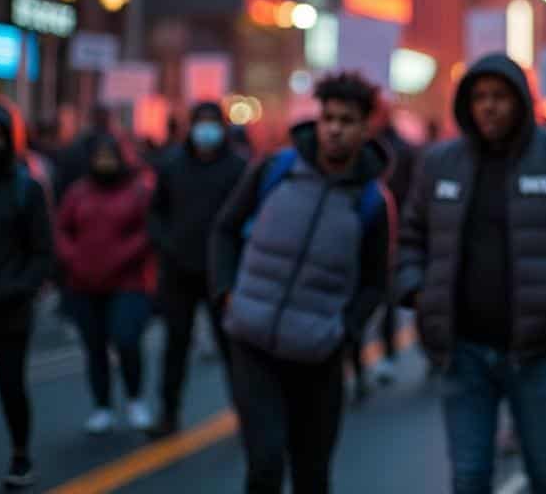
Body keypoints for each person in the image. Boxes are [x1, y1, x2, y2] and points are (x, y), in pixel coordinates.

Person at [396, 53, 546, 494]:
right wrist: (416, 290)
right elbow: (409, 236)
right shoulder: (440, 162)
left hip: (538, 349)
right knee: (470, 476)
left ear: (520, 101)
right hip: (462, 351)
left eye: (499, 96)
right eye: (479, 97)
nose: (489, 106)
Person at [211, 72, 391, 494]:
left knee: (312, 475)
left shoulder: (371, 203)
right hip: (252, 343)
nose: (334, 129)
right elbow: (225, 229)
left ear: (365, 128)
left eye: (346, 120)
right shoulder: (277, 169)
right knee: (266, 464)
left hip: (318, 357)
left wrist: (344, 333)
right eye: (328, 117)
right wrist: (225, 293)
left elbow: (374, 281)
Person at [147, 101, 248, 438]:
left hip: (222, 274)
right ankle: (168, 413)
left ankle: (245, 413)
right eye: (200, 123)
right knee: (175, 345)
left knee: (231, 347)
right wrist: (165, 242)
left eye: (212, 123)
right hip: (178, 270)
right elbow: (156, 212)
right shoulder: (171, 165)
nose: (206, 131)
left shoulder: (238, 168)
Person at [56, 132, 157, 435]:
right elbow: (61, 229)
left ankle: (135, 399)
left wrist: (118, 256)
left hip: (128, 281)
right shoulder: (78, 192)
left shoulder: (139, 190)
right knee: (94, 345)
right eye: (99, 157)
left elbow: (150, 230)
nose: (104, 163)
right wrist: (74, 258)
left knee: (126, 339)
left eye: (109, 157)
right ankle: (102, 406)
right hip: (84, 282)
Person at [0, 101, 53, 489]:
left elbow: (43, 251)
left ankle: (20, 455)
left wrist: (19, 287)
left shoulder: (26, 189)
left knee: (10, 385)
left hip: (9, 309)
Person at [342, 117, 415, 397]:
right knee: (377, 301)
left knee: (376, 298)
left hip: (384, 232)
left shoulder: (395, 157)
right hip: (376, 234)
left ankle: (371, 362)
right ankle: (372, 362)